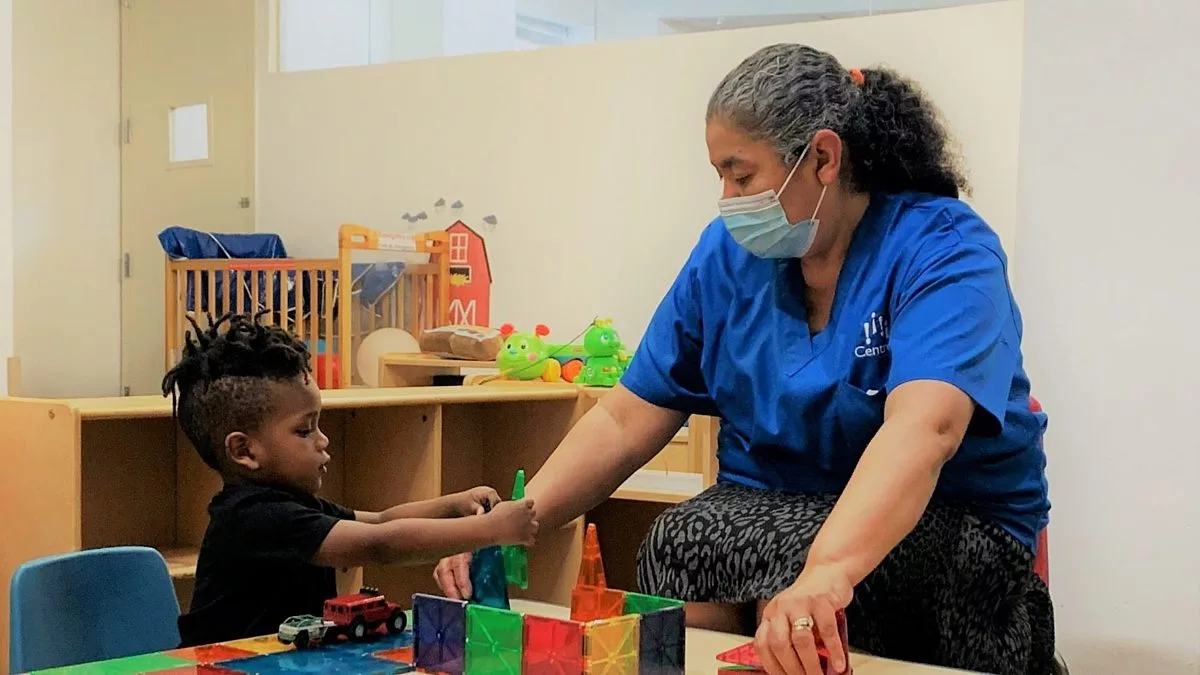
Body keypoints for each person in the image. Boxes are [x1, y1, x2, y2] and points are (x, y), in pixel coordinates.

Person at [435, 43, 1054, 675]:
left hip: (950, 518)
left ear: (822, 158)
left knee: (859, 574)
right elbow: (625, 420)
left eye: (742, 174)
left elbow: (925, 429)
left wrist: (828, 572)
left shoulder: (944, 250)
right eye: (720, 175)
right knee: (677, 540)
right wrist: (508, 524)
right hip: (776, 503)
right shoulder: (726, 259)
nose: (728, 198)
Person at [164, 313, 539, 647]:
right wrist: (492, 530)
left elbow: (382, 520)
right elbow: (380, 545)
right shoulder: (253, 517)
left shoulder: (288, 503)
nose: (323, 441)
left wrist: (453, 504)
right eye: (304, 430)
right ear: (244, 451)